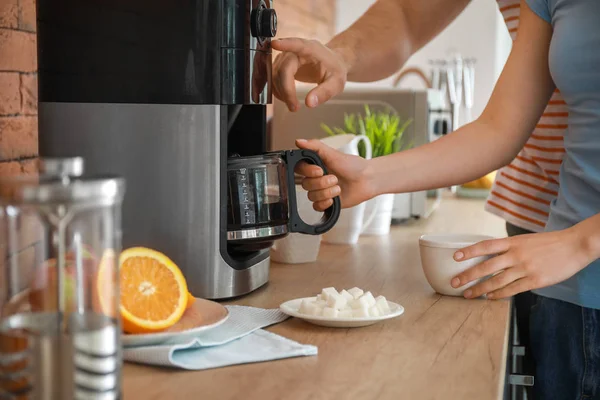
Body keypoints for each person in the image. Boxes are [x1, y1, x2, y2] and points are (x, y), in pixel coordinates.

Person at [273, 0, 600, 399]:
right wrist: (371, 176)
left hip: (570, 253)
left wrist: (583, 240)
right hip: (561, 280)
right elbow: (498, 129)